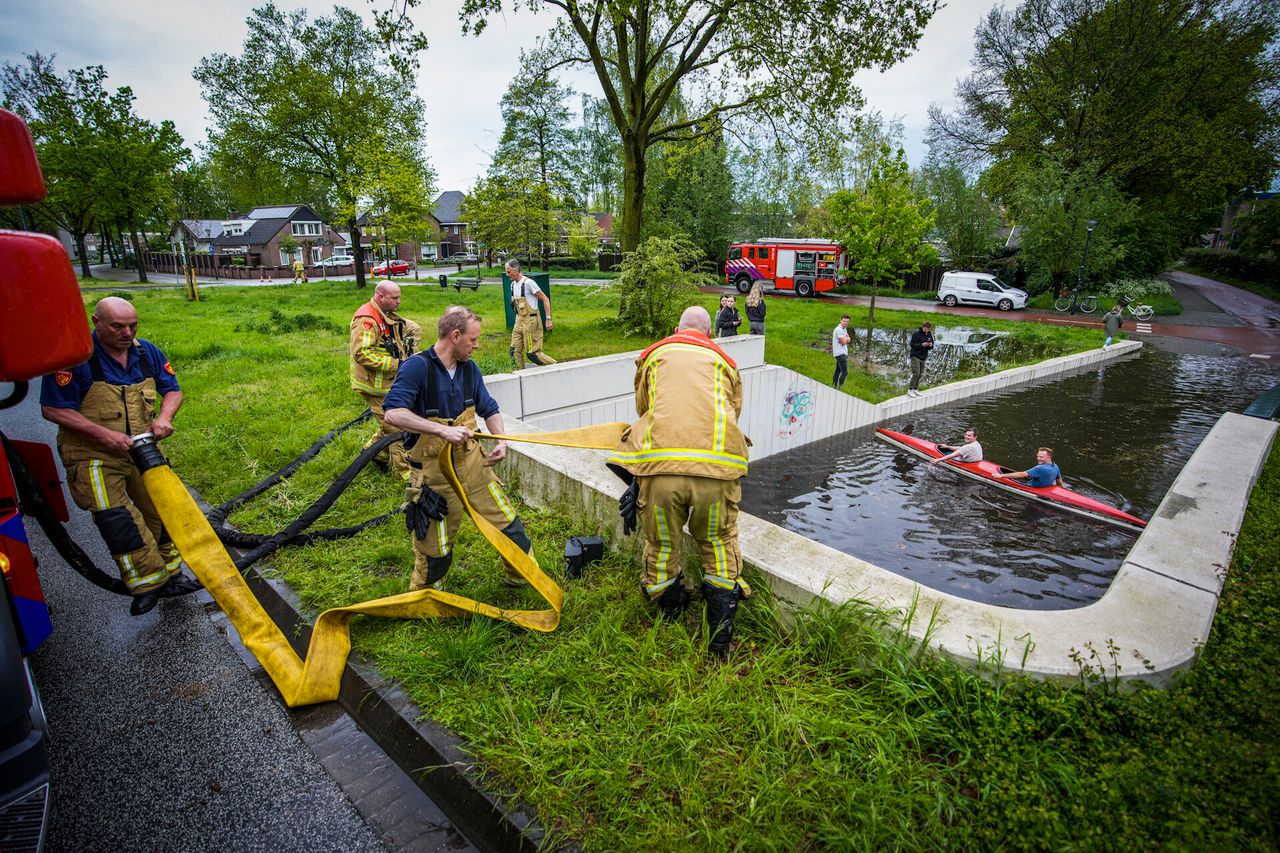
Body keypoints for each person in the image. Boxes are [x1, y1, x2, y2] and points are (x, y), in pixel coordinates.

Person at [40, 297, 201, 616]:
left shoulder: (147, 352)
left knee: (161, 510)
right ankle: (146, 585)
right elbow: (54, 408)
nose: (127, 333)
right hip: (93, 454)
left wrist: (165, 418)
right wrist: (105, 435)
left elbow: (173, 390)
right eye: (118, 326)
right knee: (119, 519)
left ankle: (172, 576)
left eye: (132, 325)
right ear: (96, 322)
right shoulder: (75, 357)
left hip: (143, 449)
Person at [608, 306, 751, 657]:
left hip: (661, 473)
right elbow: (733, 412)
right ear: (709, 335)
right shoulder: (726, 363)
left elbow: (644, 408)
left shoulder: (654, 355)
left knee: (661, 547)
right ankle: (719, 642)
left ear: (677, 330)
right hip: (716, 474)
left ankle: (671, 614)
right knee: (718, 544)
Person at [383, 306, 535, 592]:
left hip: (474, 466)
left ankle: (522, 580)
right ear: (455, 336)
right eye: (473, 340)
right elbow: (393, 413)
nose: (477, 346)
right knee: (435, 548)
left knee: (510, 528)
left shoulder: (469, 370)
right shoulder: (418, 368)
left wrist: (501, 440)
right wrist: (441, 429)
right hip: (434, 477)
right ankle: (427, 599)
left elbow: (489, 408)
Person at [349, 280, 423, 478]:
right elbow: (362, 353)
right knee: (398, 428)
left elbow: (405, 329)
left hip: (389, 383)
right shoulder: (367, 320)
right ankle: (407, 475)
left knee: (389, 423)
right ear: (380, 297)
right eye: (395, 298)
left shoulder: (385, 315)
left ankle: (374, 453)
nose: (399, 302)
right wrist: (398, 365)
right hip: (374, 386)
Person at [506, 259, 555, 370]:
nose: (507, 274)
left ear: (516, 270)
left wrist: (548, 319)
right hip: (518, 321)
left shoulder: (528, 283)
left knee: (533, 354)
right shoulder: (512, 285)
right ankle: (520, 375)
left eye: (508, 272)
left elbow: (545, 299)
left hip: (530, 323)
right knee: (514, 351)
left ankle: (557, 368)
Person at [908, 321, 934, 397]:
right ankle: (910, 390)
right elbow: (912, 345)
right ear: (922, 327)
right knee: (916, 373)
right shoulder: (916, 334)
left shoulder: (929, 334)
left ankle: (915, 389)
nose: (926, 330)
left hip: (923, 356)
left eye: (928, 329)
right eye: (925, 329)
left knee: (920, 374)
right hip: (915, 356)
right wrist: (921, 345)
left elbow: (931, 347)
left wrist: (930, 345)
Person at [832, 314, 851, 389]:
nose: (845, 323)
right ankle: (840, 388)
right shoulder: (838, 329)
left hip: (842, 353)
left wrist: (846, 339)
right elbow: (843, 341)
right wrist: (846, 339)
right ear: (840, 320)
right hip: (840, 354)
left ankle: (834, 386)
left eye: (847, 321)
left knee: (837, 371)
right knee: (845, 372)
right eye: (844, 321)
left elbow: (849, 339)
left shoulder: (844, 329)